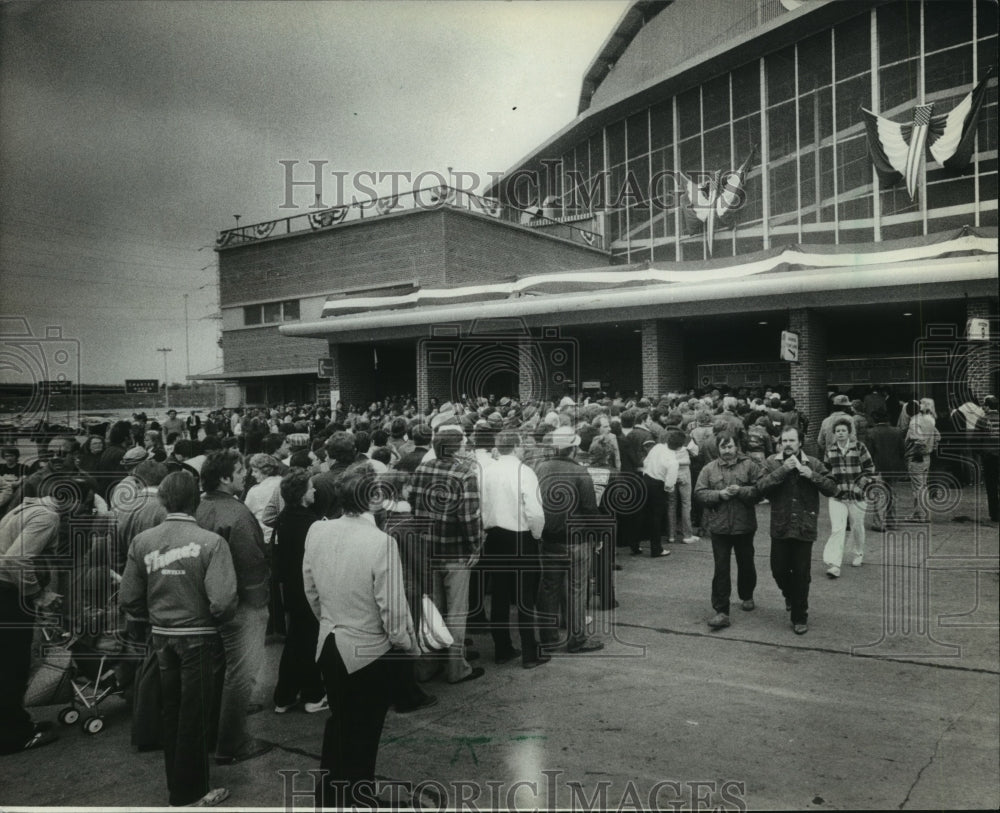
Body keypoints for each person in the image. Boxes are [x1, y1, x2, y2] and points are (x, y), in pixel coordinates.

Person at [302, 462, 417, 808]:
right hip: (369, 650)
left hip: (331, 642)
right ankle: (358, 797)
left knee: (340, 724)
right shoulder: (380, 542)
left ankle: (332, 796)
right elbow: (393, 610)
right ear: (375, 498)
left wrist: (329, 621)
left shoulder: (317, 532)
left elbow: (310, 588)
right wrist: (405, 644)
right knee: (364, 733)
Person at [120, 471, 237, 808]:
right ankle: (191, 792)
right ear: (195, 500)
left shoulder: (143, 541)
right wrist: (213, 620)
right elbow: (223, 600)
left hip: (162, 637)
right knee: (195, 714)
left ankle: (178, 784)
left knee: (171, 709)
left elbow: (129, 596)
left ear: (164, 499)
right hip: (198, 636)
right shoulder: (211, 542)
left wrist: (153, 615)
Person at [196, 450, 272, 765]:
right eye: (240, 471)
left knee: (219, 670)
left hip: (210, 602)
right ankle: (232, 743)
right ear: (226, 477)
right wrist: (260, 605)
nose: (245, 476)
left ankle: (215, 731)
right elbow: (252, 563)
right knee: (242, 674)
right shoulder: (238, 515)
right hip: (241, 605)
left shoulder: (200, 508)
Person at [409, 426, 486, 683]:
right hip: (455, 552)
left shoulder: (422, 469)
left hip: (426, 549)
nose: (466, 447)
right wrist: (476, 545)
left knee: (432, 610)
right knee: (456, 611)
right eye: (463, 444)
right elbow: (470, 517)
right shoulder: (464, 474)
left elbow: (413, 504)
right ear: (455, 447)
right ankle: (455, 668)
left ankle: (428, 665)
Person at [0, 474, 62, 755]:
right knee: (12, 664)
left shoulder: (19, 509)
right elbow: (15, 559)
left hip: (8, 592)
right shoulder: (47, 516)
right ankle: (13, 734)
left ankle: (15, 722)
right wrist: (37, 594)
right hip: (7, 595)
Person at [756, 426, 838, 635]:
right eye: (784, 441)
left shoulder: (814, 463)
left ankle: (800, 617)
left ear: (800, 442)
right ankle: (790, 595)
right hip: (781, 525)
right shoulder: (772, 462)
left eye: (792, 440)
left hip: (804, 524)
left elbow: (832, 488)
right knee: (778, 569)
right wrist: (783, 469)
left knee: (802, 574)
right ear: (780, 443)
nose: (788, 444)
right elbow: (760, 487)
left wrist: (812, 475)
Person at [479, 429, 547, 668]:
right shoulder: (524, 472)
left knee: (499, 594)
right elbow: (535, 511)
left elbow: (479, 504)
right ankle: (530, 652)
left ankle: (503, 648)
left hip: (494, 536)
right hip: (520, 537)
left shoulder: (485, 471)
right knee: (524, 595)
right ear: (517, 446)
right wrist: (536, 535)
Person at [535, 426, 603, 653]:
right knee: (577, 589)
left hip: (549, 538)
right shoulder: (580, 473)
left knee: (549, 588)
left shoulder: (541, 468)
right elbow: (589, 509)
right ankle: (577, 638)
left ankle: (548, 638)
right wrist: (597, 536)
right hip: (576, 540)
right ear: (574, 448)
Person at [694, 431, 763, 630]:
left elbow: (760, 490)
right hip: (719, 527)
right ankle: (721, 610)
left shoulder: (749, 465)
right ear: (718, 448)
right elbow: (699, 493)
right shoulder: (709, 469)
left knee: (746, 563)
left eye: (730, 446)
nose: (727, 451)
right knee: (721, 568)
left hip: (744, 525)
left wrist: (741, 491)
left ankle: (747, 594)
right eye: (723, 447)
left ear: (736, 447)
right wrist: (719, 494)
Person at [821, 417, 876, 577]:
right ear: (834, 433)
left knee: (857, 526)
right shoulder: (830, 450)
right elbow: (826, 471)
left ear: (849, 432)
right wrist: (832, 487)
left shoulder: (859, 447)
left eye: (843, 430)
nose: (840, 433)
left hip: (857, 496)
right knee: (837, 529)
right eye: (837, 431)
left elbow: (869, 469)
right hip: (837, 496)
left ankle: (858, 553)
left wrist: (860, 487)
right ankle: (834, 564)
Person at [864, 409, 906, 531]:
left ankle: (879, 523)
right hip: (894, 468)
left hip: (877, 467)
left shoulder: (871, 433)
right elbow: (902, 450)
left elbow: (869, 453)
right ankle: (892, 521)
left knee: (878, 495)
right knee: (892, 494)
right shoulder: (897, 432)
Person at [905, 398, 941, 522]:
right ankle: (921, 514)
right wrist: (931, 448)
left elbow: (918, 439)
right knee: (923, 486)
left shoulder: (914, 421)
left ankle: (921, 515)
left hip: (916, 457)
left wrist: (918, 451)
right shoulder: (929, 420)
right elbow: (937, 436)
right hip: (927, 457)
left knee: (918, 488)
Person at [979, 396, 999, 523]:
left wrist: (981, 453)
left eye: (984, 405)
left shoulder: (982, 420)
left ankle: (995, 514)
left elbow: (976, 439)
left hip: (989, 457)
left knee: (991, 486)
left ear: (987, 406)